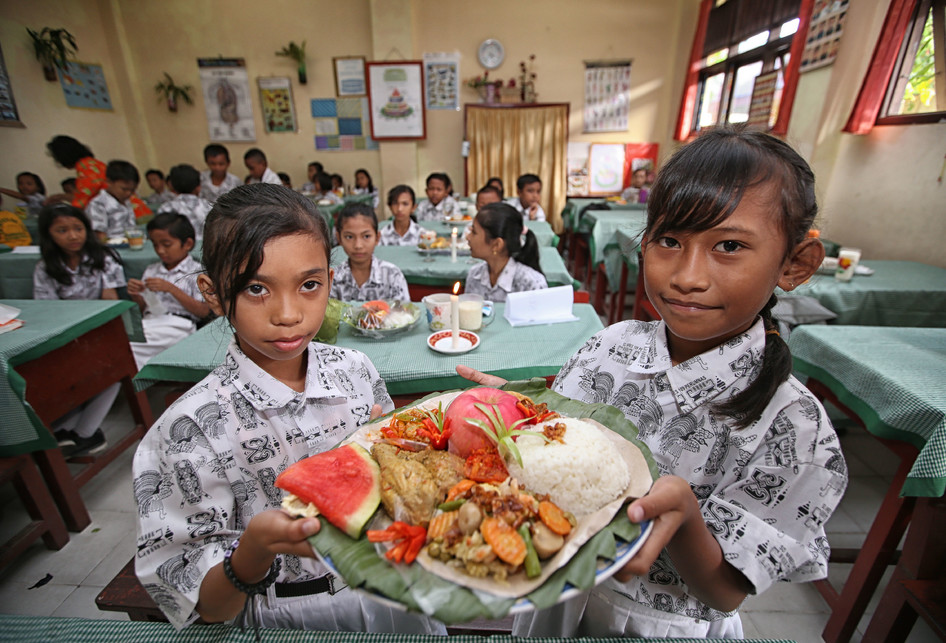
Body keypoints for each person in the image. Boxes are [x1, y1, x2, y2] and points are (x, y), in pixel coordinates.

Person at [458, 125, 846, 638]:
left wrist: (687, 517)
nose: (687, 275)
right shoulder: (610, 345)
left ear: (795, 265)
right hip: (558, 599)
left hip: (661, 624)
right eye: (669, 240)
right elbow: (565, 432)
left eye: (728, 245)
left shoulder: (796, 430)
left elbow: (725, 590)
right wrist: (520, 411)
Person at [132, 184, 443, 634]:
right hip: (283, 615)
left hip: (393, 586)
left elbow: (393, 466)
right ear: (214, 293)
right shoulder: (186, 432)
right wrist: (253, 553)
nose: (288, 313)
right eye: (257, 288)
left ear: (331, 283)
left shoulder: (356, 370)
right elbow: (211, 609)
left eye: (309, 285)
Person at [33, 204, 128, 458]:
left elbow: (111, 303)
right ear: (48, 234)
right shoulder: (45, 268)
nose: (73, 236)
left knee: (109, 373)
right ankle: (63, 430)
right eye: (62, 230)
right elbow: (48, 313)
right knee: (59, 376)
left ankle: (82, 434)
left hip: (100, 332)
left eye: (78, 228)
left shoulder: (104, 258)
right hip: (64, 336)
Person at [127, 213, 209, 369]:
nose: (160, 251)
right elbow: (143, 309)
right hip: (150, 322)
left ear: (187, 244)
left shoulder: (197, 272)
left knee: (130, 347)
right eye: (155, 245)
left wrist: (171, 289)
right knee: (127, 343)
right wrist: (137, 295)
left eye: (166, 244)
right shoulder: (151, 270)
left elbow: (204, 312)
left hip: (179, 325)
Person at [44, 135, 151, 219]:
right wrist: (63, 197)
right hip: (137, 211)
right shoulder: (94, 164)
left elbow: (82, 201)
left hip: (125, 215)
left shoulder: (86, 168)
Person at [464, 202, 546, 302]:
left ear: (497, 245)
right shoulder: (474, 275)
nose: (468, 237)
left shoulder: (532, 284)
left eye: (474, 232)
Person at [331, 202, 409, 301]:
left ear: (377, 238)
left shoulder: (392, 275)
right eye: (349, 237)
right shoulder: (334, 278)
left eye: (366, 236)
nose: (358, 245)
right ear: (339, 239)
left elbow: (403, 314)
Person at [86, 160, 140, 242]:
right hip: (112, 247)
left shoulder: (126, 201)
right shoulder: (98, 204)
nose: (128, 193)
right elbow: (100, 235)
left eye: (132, 190)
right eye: (124, 189)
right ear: (109, 182)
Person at [158, 165, 213, 240]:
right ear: (198, 187)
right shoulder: (209, 207)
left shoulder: (165, 208)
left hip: (178, 250)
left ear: (172, 186)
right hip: (207, 249)